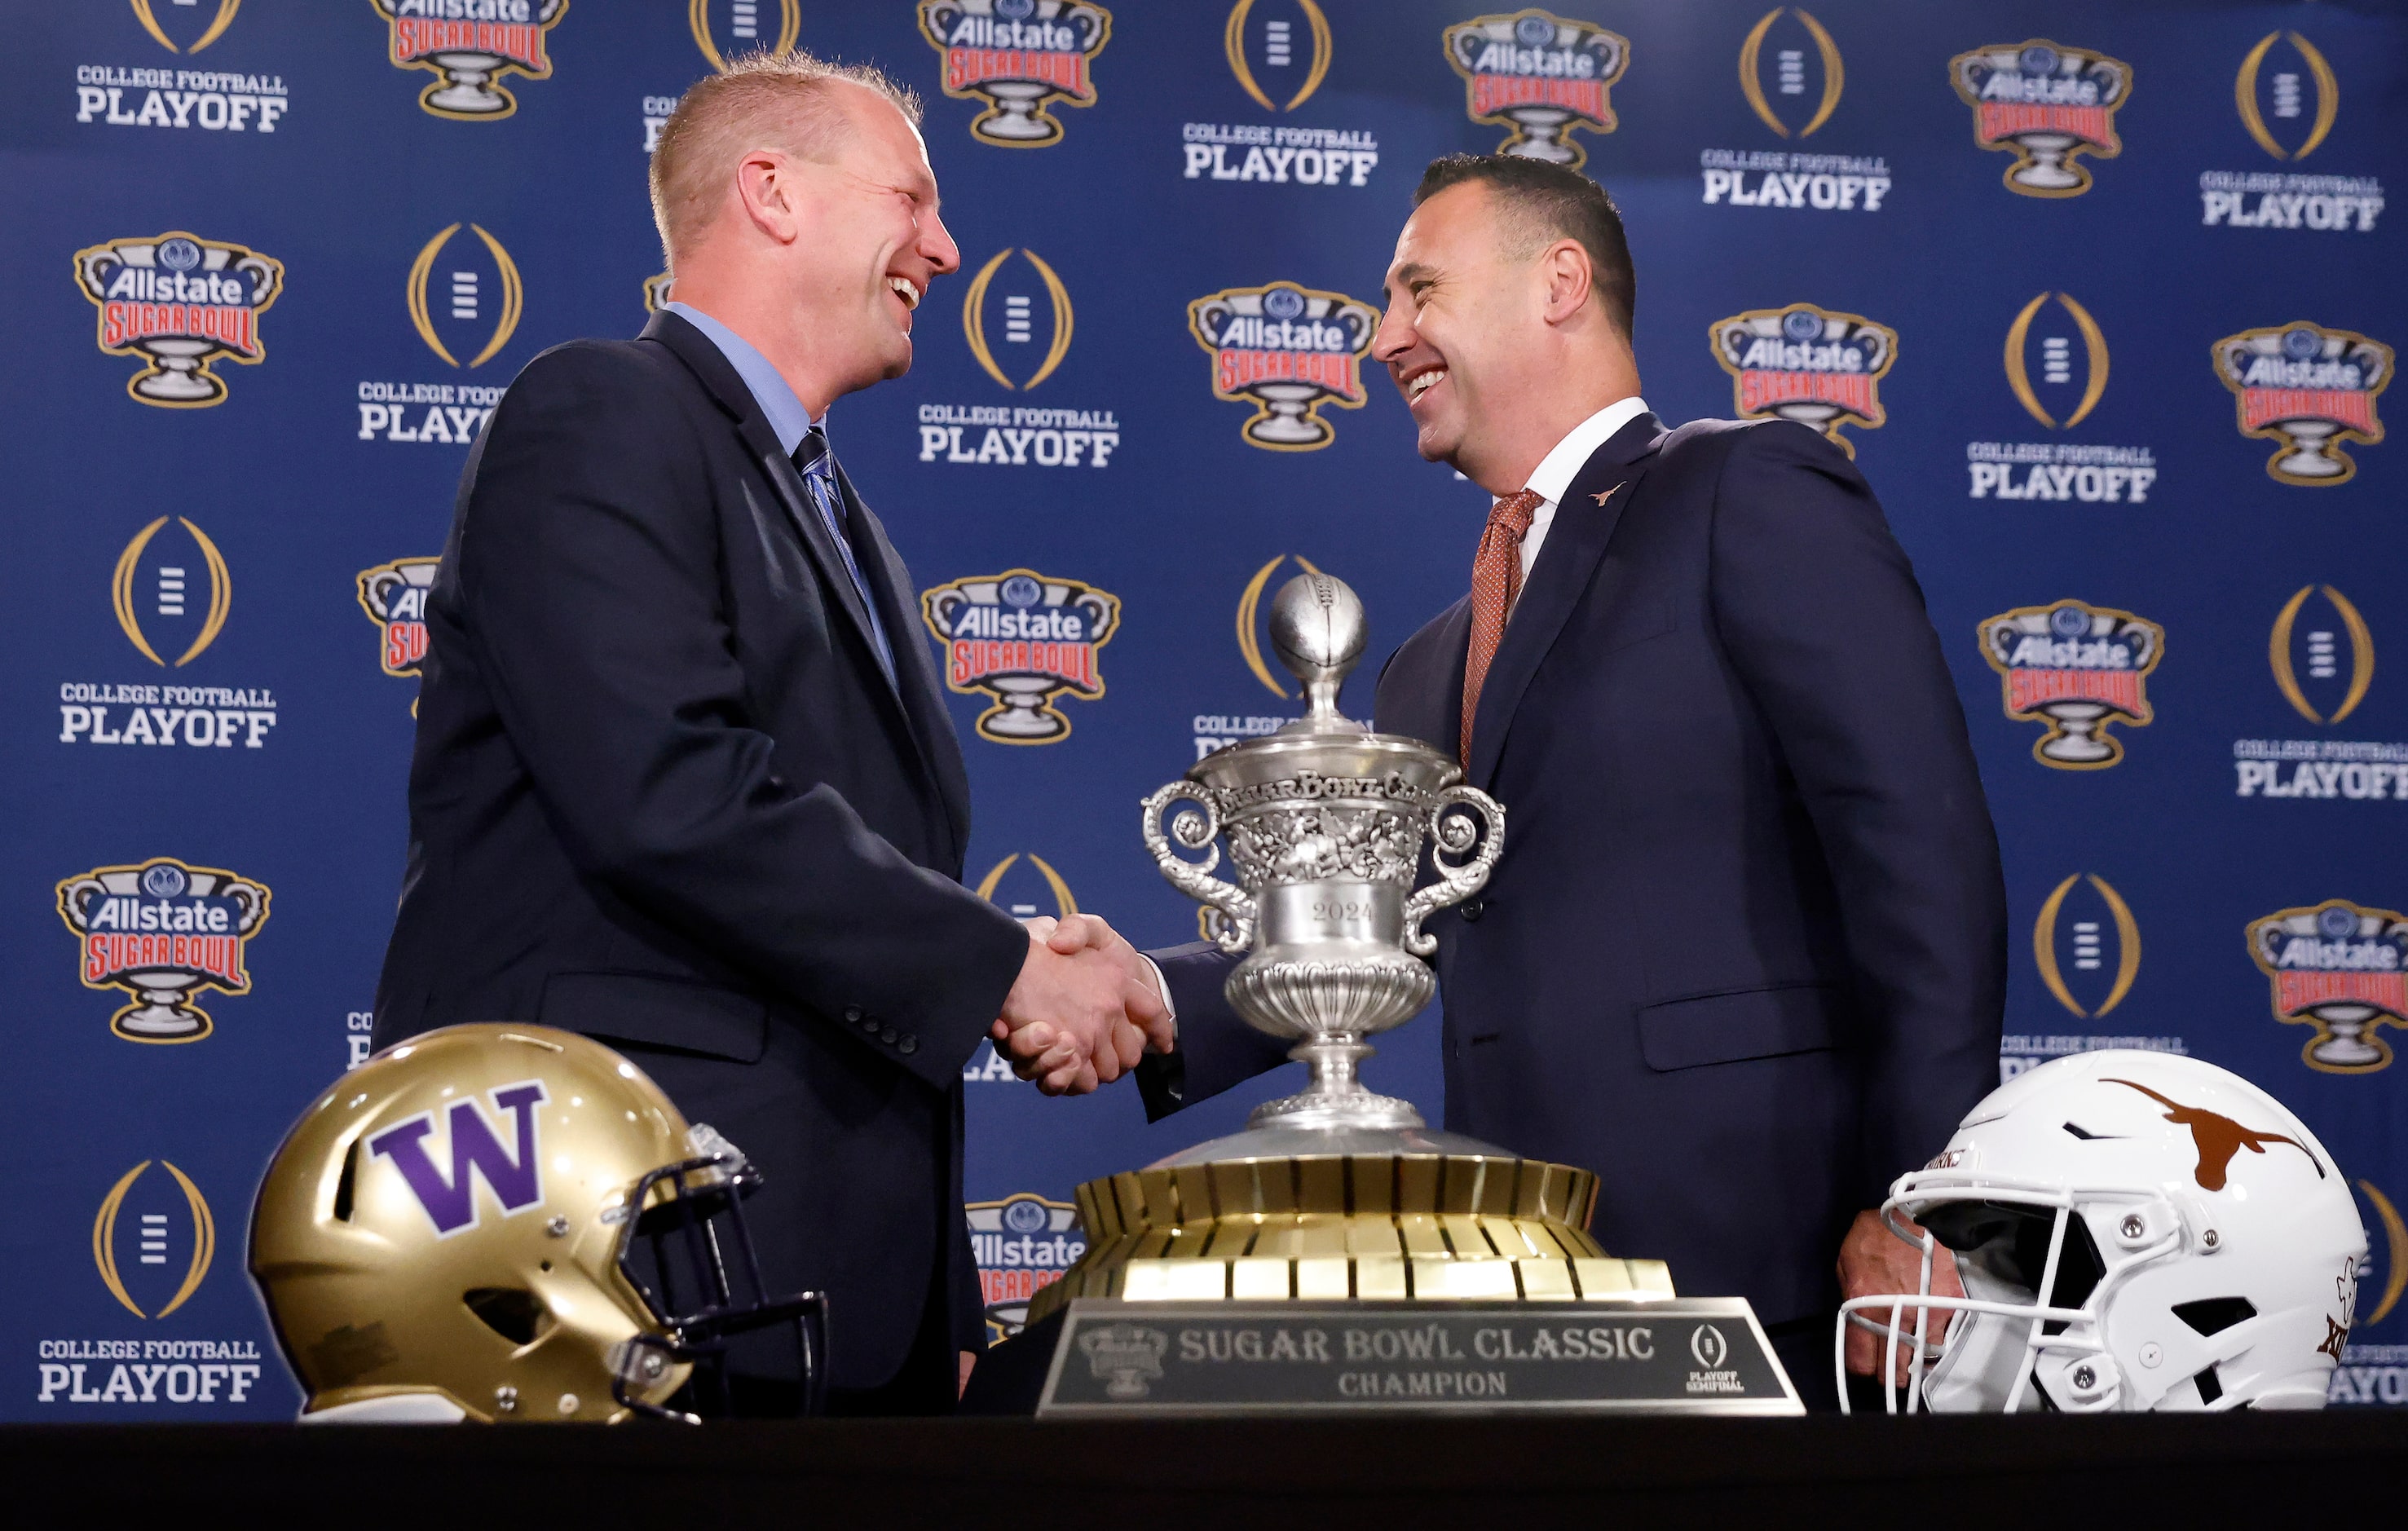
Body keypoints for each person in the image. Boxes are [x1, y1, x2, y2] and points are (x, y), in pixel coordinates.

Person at [1014, 155, 2006, 1409]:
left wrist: (1926, 1206)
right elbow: (1374, 930)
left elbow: (1916, 853)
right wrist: (1148, 992)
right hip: (1527, 1287)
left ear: (1559, 282)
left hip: (1778, 1275)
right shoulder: (1431, 663)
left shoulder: (1739, 489)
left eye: (1418, 289)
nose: (1385, 339)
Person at [373, 51, 1166, 1417]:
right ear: (771, 194)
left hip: (836, 1302)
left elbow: (849, 924)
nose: (947, 245)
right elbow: (667, 792)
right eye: (912, 198)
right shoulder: (602, 411)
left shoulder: (850, 528)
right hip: (626, 1264)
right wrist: (1003, 964)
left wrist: (944, 1295)